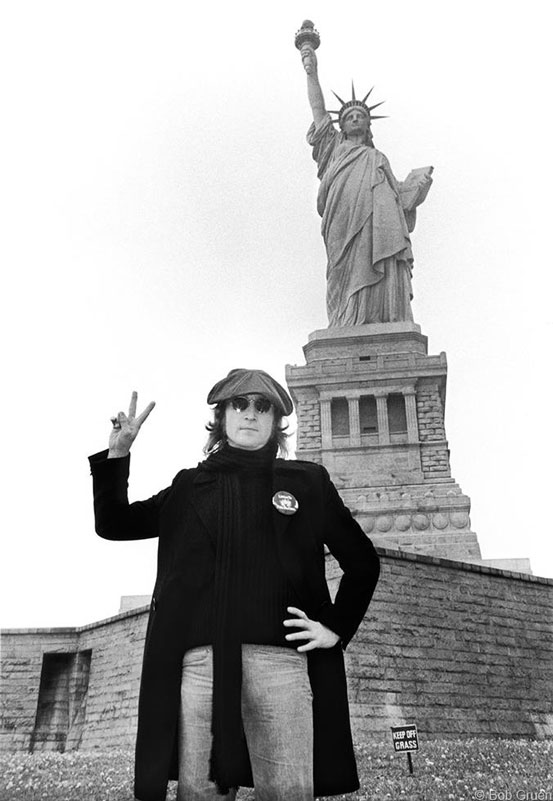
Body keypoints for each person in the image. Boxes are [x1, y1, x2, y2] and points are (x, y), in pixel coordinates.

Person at [89, 368, 380, 801]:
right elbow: (115, 524)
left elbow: (362, 562)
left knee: (287, 793)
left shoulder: (307, 483)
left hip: (281, 664)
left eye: (263, 407)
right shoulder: (190, 487)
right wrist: (117, 455)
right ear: (221, 417)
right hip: (202, 666)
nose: (250, 414)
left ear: (276, 422)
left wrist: (335, 626)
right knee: (202, 793)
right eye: (239, 404)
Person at [300, 42, 433, 327]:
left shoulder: (377, 157)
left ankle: (381, 315)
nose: (356, 118)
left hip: (378, 226)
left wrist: (415, 190)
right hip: (342, 220)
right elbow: (318, 110)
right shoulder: (333, 148)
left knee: (379, 258)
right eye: (349, 117)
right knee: (341, 272)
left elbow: (398, 198)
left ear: (368, 124)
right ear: (343, 125)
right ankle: (345, 320)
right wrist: (312, 71)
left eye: (361, 116)